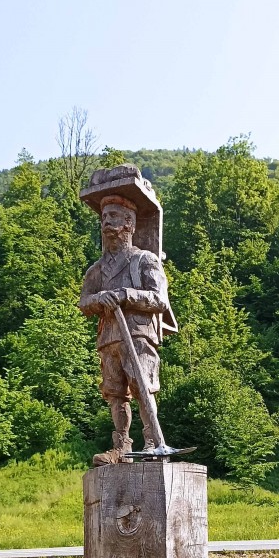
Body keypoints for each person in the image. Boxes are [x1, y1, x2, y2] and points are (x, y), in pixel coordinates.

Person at [79, 195, 171, 466]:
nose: (106, 221)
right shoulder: (95, 271)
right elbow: (84, 302)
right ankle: (121, 446)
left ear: (129, 223)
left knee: (142, 387)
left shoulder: (145, 260)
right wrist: (98, 300)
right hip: (108, 337)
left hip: (138, 334)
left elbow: (160, 299)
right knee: (115, 393)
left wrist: (125, 295)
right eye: (103, 217)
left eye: (114, 216)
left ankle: (153, 442)